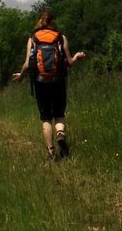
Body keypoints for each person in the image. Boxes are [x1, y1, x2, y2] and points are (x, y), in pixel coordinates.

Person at [12, 11, 86, 161]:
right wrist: (77, 57)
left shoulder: (32, 39)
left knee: (46, 118)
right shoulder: (60, 37)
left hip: (40, 82)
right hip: (58, 80)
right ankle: (60, 134)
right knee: (59, 114)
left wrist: (21, 76)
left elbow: (27, 64)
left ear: (39, 22)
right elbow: (69, 63)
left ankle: (51, 152)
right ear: (52, 22)